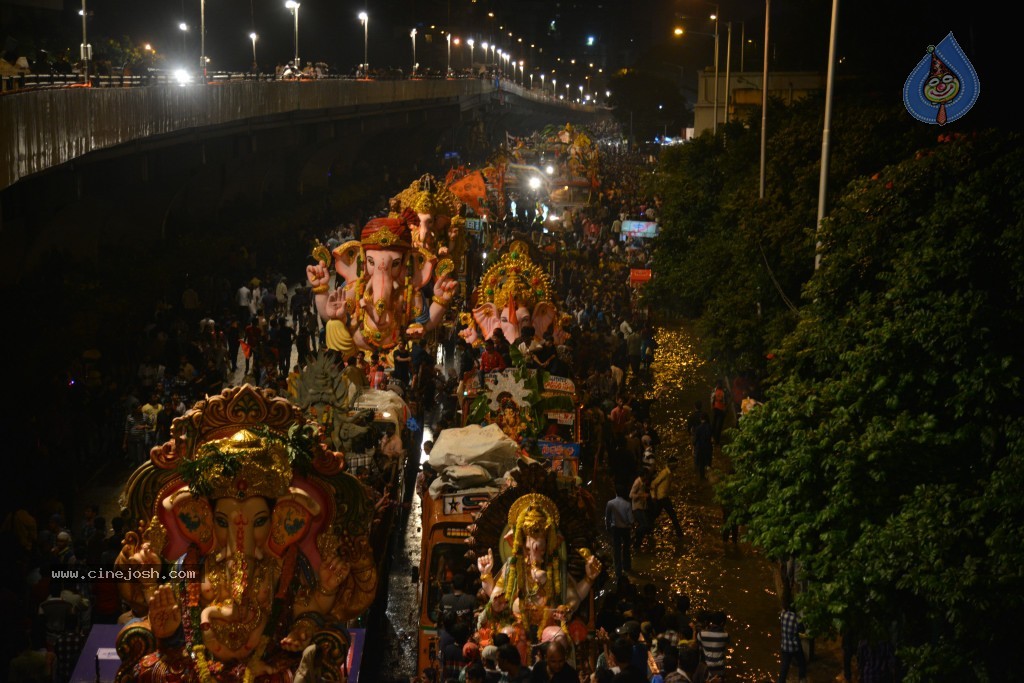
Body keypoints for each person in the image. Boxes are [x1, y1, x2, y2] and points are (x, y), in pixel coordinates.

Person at [650, 459, 684, 538]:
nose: (677, 466)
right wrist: (653, 496)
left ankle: (648, 527)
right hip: (662, 498)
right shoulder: (664, 473)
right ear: (671, 465)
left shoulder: (669, 473)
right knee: (672, 515)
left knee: (656, 514)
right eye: (675, 465)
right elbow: (654, 483)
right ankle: (680, 534)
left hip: (663, 497)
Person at [777, 594, 807, 683]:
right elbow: (802, 630)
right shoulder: (796, 617)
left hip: (784, 645)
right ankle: (802, 679)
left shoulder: (782, 614)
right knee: (802, 662)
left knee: (784, 667)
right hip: (794, 646)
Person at [605, 487, 633, 579]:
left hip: (615, 529)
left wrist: (608, 528)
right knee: (626, 549)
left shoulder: (610, 503)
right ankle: (627, 567)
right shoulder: (628, 504)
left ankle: (618, 571)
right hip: (625, 529)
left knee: (616, 550)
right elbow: (631, 520)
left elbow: (607, 518)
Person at [697, 611, 730, 681]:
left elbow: (699, 647)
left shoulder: (701, 634)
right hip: (719, 669)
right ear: (722, 623)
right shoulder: (726, 635)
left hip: (706, 668)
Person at [630, 469, 653, 552]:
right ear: (643, 475)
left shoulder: (642, 482)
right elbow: (631, 495)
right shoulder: (637, 482)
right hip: (637, 507)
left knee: (645, 526)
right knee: (644, 525)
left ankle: (637, 544)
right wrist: (642, 495)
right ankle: (635, 535)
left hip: (642, 506)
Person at [693, 413, 713, 480]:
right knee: (708, 461)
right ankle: (710, 476)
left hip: (700, 447)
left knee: (701, 463)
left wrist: (694, 448)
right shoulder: (709, 426)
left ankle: (702, 477)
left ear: (701, 419)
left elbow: (695, 440)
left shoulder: (698, 428)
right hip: (708, 447)